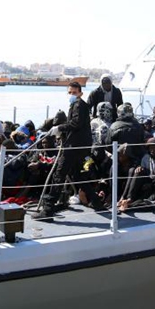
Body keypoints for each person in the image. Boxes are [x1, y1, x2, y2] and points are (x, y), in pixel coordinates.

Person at [35, 81, 104, 220]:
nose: (72, 95)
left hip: (73, 147)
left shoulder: (78, 104)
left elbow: (76, 123)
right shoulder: (77, 105)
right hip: (79, 146)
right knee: (79, 176)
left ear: (80, 93)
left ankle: (48, 210)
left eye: (74, 92)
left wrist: (60, 128)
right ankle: (96, 202)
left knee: (59, 175)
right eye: (70, 92)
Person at [118, 137, 155, 211]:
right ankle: (129, 198)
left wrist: (151, 185)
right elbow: (143, 174)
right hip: (146, 182)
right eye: (150, 148)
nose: (152, 151)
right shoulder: (146, 158)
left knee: (149, 200)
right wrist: (140, 168)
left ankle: (130, 206)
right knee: (137, 171)